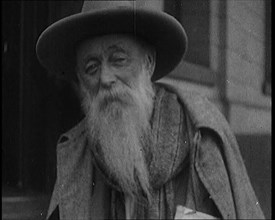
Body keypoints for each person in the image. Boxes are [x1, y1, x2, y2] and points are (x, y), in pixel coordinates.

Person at [36, 1, 265, 219]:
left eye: (118, 59)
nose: (105, 78)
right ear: (81, 81)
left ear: (148, 64)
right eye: (91, 67)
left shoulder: (201, 137)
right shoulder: (77, 154)